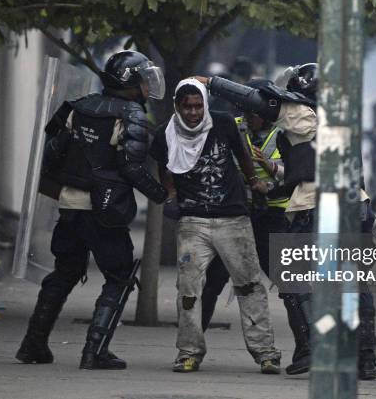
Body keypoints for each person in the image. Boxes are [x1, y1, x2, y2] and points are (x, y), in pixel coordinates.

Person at [195, 64, 376, 379]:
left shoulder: (301, 114)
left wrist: (213, 83)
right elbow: (310, 170)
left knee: (296, 280)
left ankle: (313, 348)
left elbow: (258, 99)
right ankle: (365, 359)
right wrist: (274, 186)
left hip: (319, 208)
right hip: (355, 207)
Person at [16, 51, 168, 370]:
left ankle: (33, 344)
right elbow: (132, 167)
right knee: (118, 275)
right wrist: (162, 195)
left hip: (70, 205)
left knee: (64, 272)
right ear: (129, 83)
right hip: (106, 210)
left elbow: (52, 154)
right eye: (142, 79)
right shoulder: (132, 114)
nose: (146, 86)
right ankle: (94, 351)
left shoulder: (76, 107)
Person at [149, 78, 281, 374]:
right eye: (187, 107)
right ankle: (188, 353)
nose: (194, 113)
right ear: (177, 107)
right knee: (188, 289)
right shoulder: (165, 135)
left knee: (250, 286)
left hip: (233, 219)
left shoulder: (222, 124)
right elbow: (165, 169)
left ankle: (266, 353)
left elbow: (242, 156)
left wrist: (254, 182)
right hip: (193, 222)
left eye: (198, 106)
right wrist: (171, 195)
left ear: (205, 105)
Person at [200, 79, 289, 332]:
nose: (248, 117)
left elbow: (297, 174)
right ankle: (192, 343)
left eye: (254, 112)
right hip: (235, 213)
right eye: (245, 111)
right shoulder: (231, 127)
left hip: (273, 216)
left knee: (290, 282)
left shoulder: (285, 134)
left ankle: (309, 346)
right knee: (212, 281)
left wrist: (270, 171)